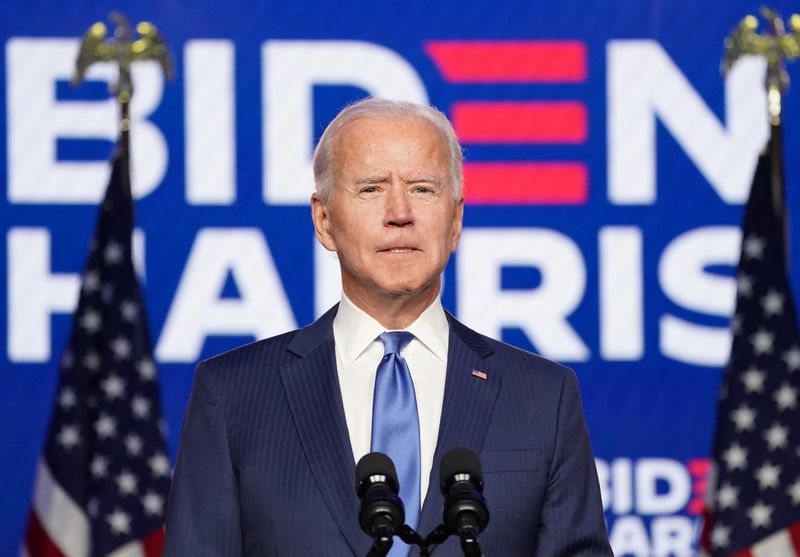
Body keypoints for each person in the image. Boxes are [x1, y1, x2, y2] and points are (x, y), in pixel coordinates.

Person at [163, 98, 612, 556]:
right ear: (324, 220)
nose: (400, 212)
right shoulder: (234, 394)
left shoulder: (543, 396)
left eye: (422, 189)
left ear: (455, 220)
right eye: (372, 189)